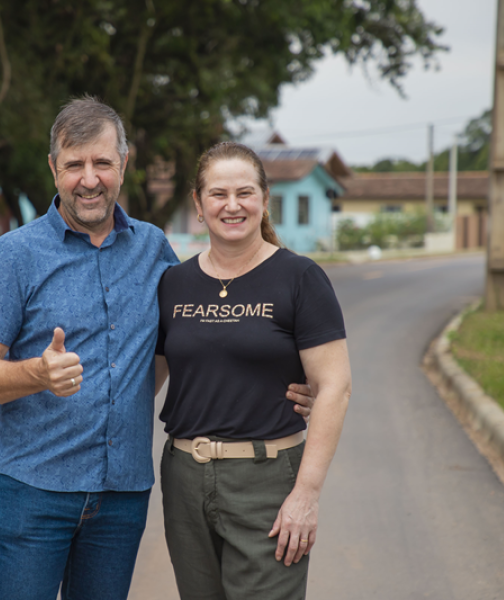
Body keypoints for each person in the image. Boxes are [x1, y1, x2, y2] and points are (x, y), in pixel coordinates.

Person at [0, 97, 317, 600]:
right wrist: (37, 374)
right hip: (34, 494)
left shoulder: (153, 250)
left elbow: (204, 336)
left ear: (123, 165)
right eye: (74, 165)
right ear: (53, 169)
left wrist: (285, 386)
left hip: (121, 498)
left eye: (102, 162)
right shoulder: (15, 255)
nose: (89, 179)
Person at [155, 141, 352, 599]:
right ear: (198, 204)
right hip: (184, 478)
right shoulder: (173, 283)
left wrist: (306, 494)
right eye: (218, 194)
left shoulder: (299, 277)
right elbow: (150, 380)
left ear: (264, 200)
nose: (232, 205)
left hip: (267, 481)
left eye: (244, 193)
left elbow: (334, 387)